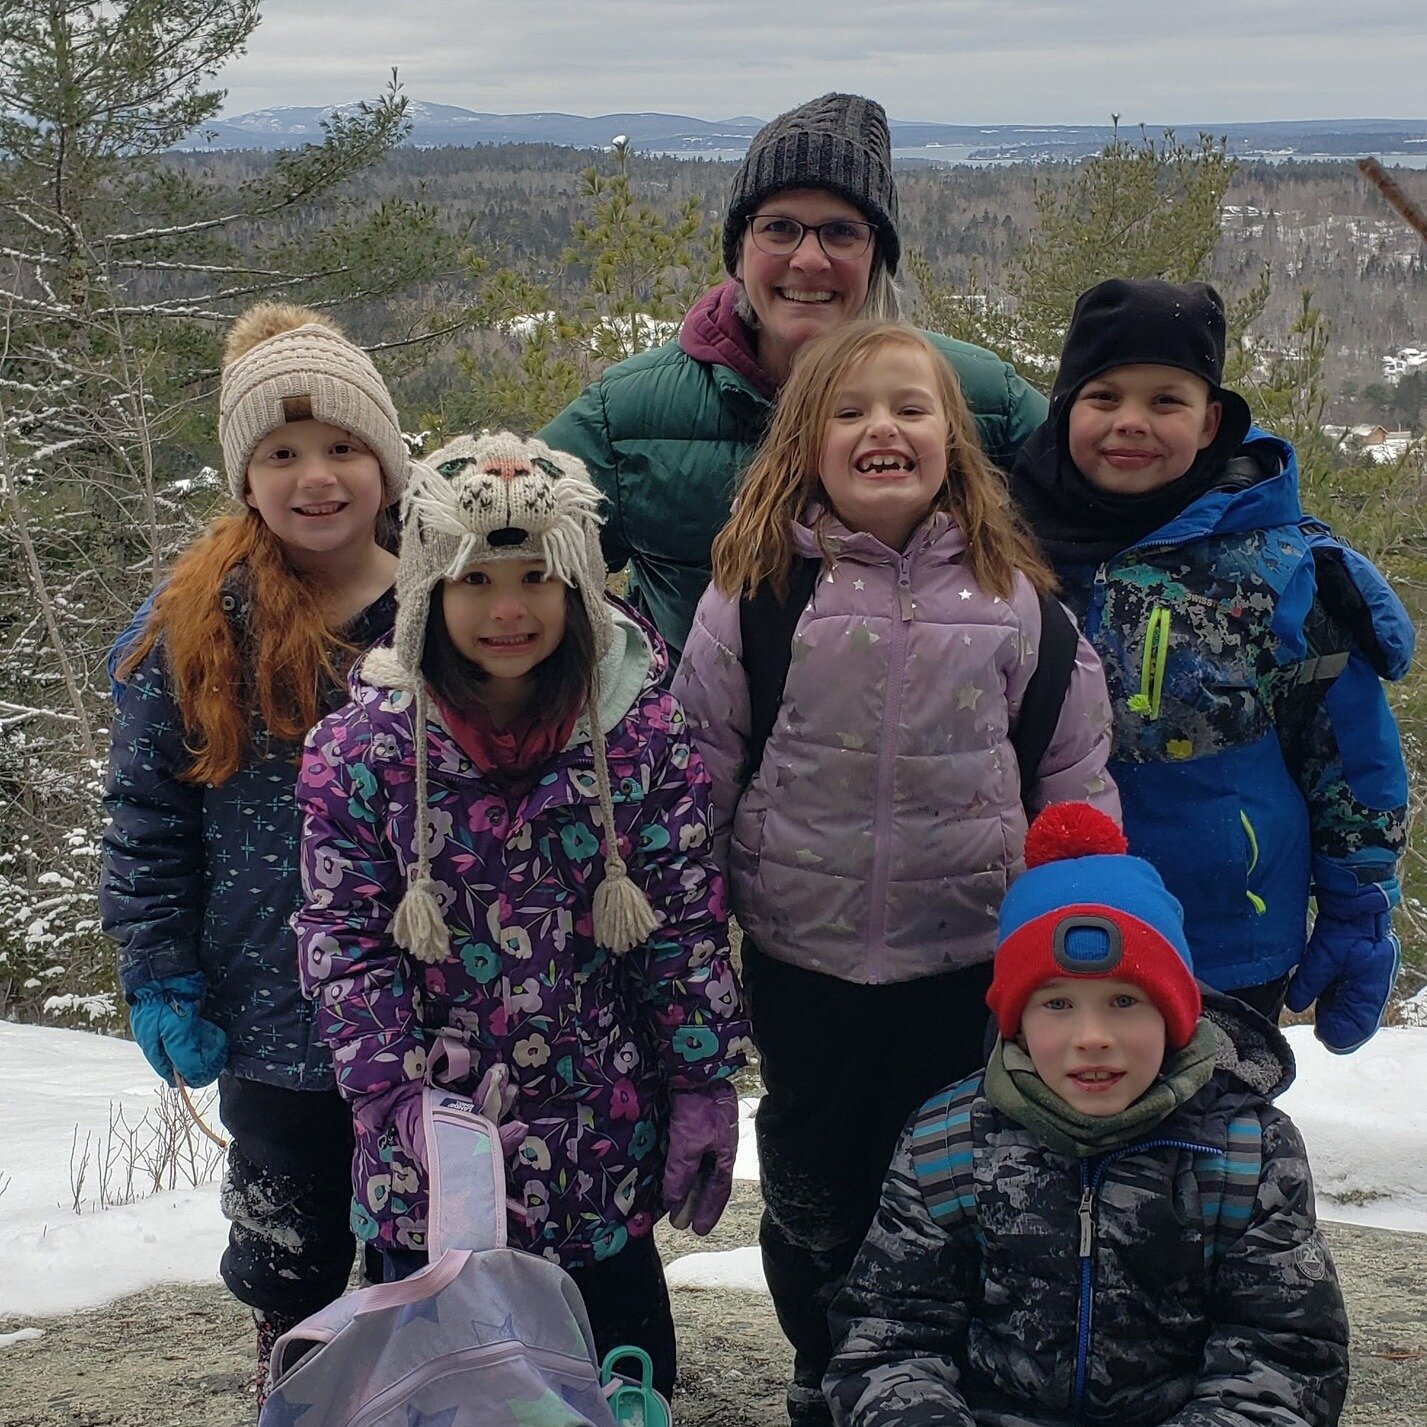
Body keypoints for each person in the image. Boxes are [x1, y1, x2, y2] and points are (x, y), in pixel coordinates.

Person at [671, 320, 1117, 1425]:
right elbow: (694, 784)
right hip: (800, 958)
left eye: (910, 408)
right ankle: (822, 1365)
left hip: (963, 961)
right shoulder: (757, 597)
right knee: (818, 1182)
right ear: (804, 445)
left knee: (955, 1182)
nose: (883, 428)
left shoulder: (1016, 603)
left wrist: (1083, 944)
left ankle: (933, 1373)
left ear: (951, 442)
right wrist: (689, 951)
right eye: (850, 409)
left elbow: (1072, 785)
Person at [293, 431, 751, 1400]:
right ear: (426, 589)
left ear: (578, 583)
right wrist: (388, 1099)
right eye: (473, 580)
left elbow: (680, 925)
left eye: (538, 575)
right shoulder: (360, 753)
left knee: (618, 1389)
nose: (508, 608)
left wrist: (703, 1078)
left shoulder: (639, 735)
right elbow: (343, 946)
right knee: (445, 1400)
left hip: (600, 1157)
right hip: (431, 1175)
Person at [99, 302, 408, 1401]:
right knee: (291, 1246)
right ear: (245, 475)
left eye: (341, 446)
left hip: (435, 1005)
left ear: (386, 459)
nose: (314, 476)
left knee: (426, 1247)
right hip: (269, 1008)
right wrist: (159, 966)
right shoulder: (194, 620)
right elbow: (146, 816)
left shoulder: (451, 600)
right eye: (280, 453)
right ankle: (300, 1393)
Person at [824, 801, 1350, 1427]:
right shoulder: (946, 1142)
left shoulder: (1248, 1151)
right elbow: (889, 1339)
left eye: (1125, 1000)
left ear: (1176, 1015)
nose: (1092, 1035)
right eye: (1058, 1005)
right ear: (1015, 1023)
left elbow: (1285, 1357)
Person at [1009, 278, 1409, 1045]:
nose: (1130, 422)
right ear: (1063, 410)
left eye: (1165, 400)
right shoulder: (1000, 547)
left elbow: (1348, 752)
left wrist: (1358, 904)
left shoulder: (1277, 569)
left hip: (1221, 941)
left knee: (1214, 1153)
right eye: (1102, 397)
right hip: (1047, 931)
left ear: (1210, 419)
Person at [540, 91, 1048, 659]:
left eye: (842, 232)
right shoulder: (631, 412)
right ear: (739, 252)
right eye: (779, 228)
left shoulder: (979, 397)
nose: (809, 260)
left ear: (878, 254)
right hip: (698, 742)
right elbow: (499, 549)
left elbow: (1110, 512)